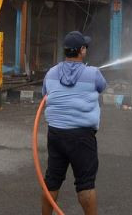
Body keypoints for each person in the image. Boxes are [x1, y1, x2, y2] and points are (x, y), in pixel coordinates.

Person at [40, 31, 107, 215]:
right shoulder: (93, 73)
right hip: (82, 137)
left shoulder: (51, 73)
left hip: (55, 134)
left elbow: (45, 94)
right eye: (85, 46)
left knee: (52, 181)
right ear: (82, 50)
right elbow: (102, 87)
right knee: (85, 184)